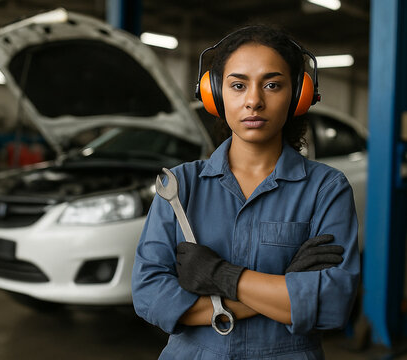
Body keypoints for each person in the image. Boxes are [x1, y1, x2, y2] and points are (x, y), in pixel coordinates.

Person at [131, 25, 360, 359]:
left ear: (298, 95)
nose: (254, 100)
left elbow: (332, 304)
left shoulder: (326, 189)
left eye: (273, 85)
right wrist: (283, 286)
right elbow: (150, 296)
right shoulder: (180, 187)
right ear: (216, 95)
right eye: (238, 85)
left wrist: (219, 275)